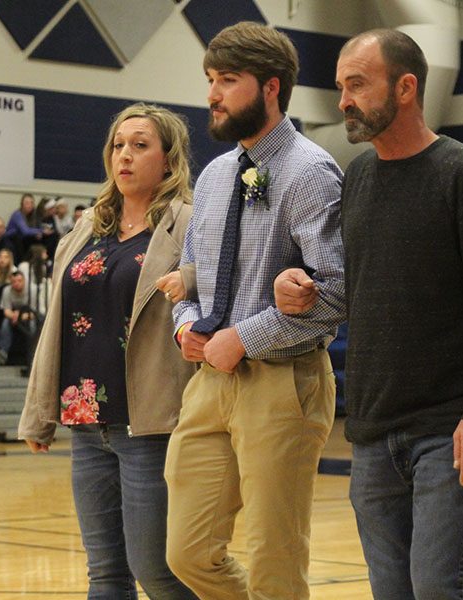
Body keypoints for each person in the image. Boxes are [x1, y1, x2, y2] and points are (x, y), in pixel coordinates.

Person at [275, 28, 463, 599]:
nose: (343, 101)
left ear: (406, 87)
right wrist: (300, 287)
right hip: (372, 433)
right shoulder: (357, 178)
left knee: (439, 587)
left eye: (357, 84)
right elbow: (350, 285)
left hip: (450, 427)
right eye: (341, 87)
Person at [166, 23, 344, 600]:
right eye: (210, 80)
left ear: (271, 88)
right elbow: (191, 279)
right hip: (208, 379)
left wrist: (245, 336)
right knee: (187, 553)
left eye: (228, 81)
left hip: (283, 382)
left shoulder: (312, 171)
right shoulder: (215, 177)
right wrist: (186, 326)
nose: (213, 94)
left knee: (275, 557)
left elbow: (338, 291)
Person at [19, 103, 197, 599]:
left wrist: (189, 276)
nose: (125, 156)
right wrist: (40, 415)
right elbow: (56, 323)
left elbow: (222, 281)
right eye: (118, 145)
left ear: (168, 159)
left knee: (157, 570)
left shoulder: (188, 222)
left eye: (140, 145)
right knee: (106, 574)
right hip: (85, 419)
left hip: (150, 423)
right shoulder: (87, 226)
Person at [6, 193, 48, 258]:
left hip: (24, 239)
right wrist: (41, 231)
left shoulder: (33, 215)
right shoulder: (17, 214)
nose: (29, 205)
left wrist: (38, 233)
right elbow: (25, 231)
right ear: (22, 204)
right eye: (27, 203)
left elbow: (36, 227)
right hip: (12, 239)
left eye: (31, 203)